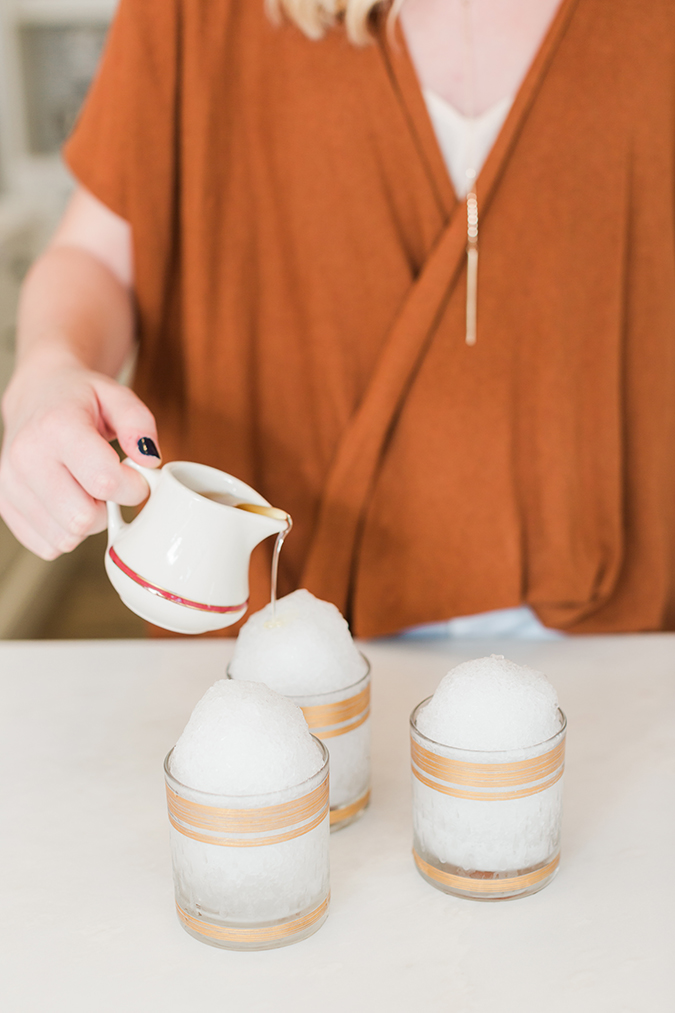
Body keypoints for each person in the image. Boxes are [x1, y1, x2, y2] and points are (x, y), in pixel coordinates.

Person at [2, 0, 675, 638]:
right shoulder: (201, 15)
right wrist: (48, 369)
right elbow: (97, 256)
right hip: (272, 629)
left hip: (613, 628)